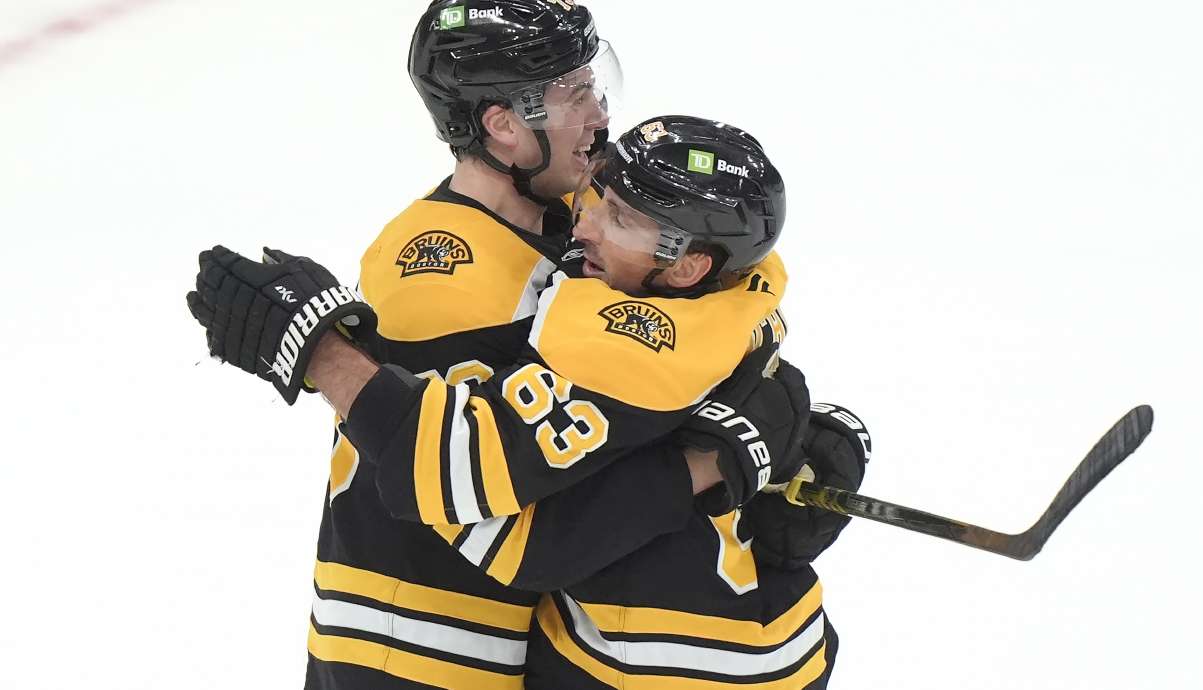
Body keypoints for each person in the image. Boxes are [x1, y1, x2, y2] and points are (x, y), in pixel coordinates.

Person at [185, 2, 868, 688]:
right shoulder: (446, 277)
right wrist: (718, 458)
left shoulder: (579, 223)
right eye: (574, 94)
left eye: (595, 82)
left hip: (510, 636)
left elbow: (634, 402)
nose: (601, 112)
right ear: (504, 126)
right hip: (418, 649)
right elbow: (475, 491)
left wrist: (777, 428)